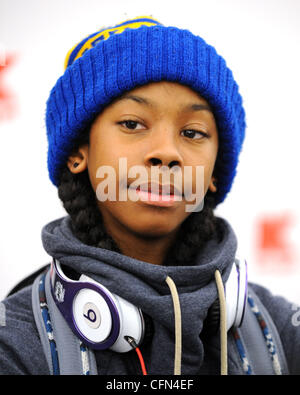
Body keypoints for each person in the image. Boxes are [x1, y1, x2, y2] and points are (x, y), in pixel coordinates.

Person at [0, 16, 299, 376]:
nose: (167, 152)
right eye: (132, 123)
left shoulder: (281, 332)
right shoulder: (14, 345)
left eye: (192, 132)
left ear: (214, 174)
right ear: (78, 152)